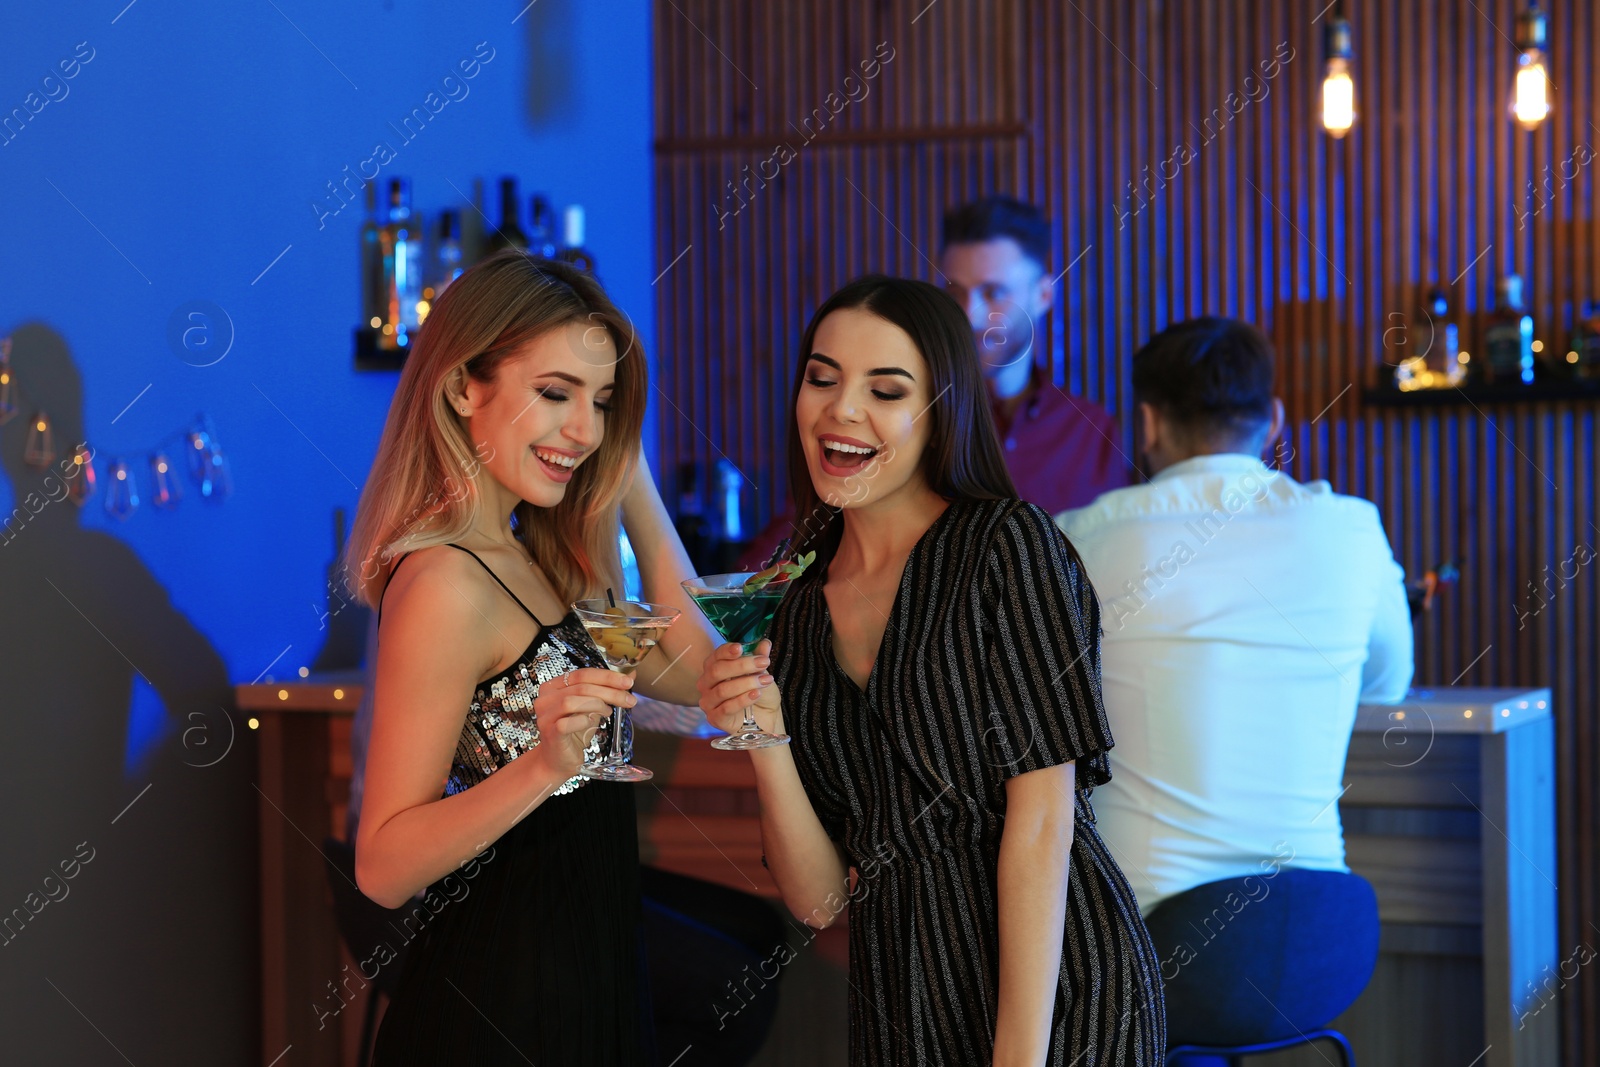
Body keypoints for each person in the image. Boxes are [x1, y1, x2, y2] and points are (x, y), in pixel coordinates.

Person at [697, 275, 1165, 1066]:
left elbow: (1044, 821)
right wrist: (765, 736)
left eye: (886, 390)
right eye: (822, 377)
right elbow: (818, 902)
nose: (842, 409)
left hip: (1060, 997)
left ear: (940, 411)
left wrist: (1017, 1056)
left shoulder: (1008, 547)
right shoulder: (800, 606)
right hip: (901, 1003)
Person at [346, 251, 717, 1065]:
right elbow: (381, 865)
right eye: (555, 393)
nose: (584, 429)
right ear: (462, 388)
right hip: (499, 1003)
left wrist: (634, 474)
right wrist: (545, 765)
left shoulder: (537, 553)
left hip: (585, 968)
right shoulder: (445, 577)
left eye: (603, 402)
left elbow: (694, 672)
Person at [1055, 317, 1412, 1045]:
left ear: (1147, 422)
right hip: (1322, 941)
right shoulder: (1351, 529)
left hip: (1151, 951)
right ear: (1273, 418)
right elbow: (1388, 683)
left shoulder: (1077, 541)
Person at [737, 195, 1125, 569]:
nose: (970, 314)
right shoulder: (898, 419)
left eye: (994, 293)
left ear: (1042, 294)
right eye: (955, 291)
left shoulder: (1092, 432)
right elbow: (798, 536)